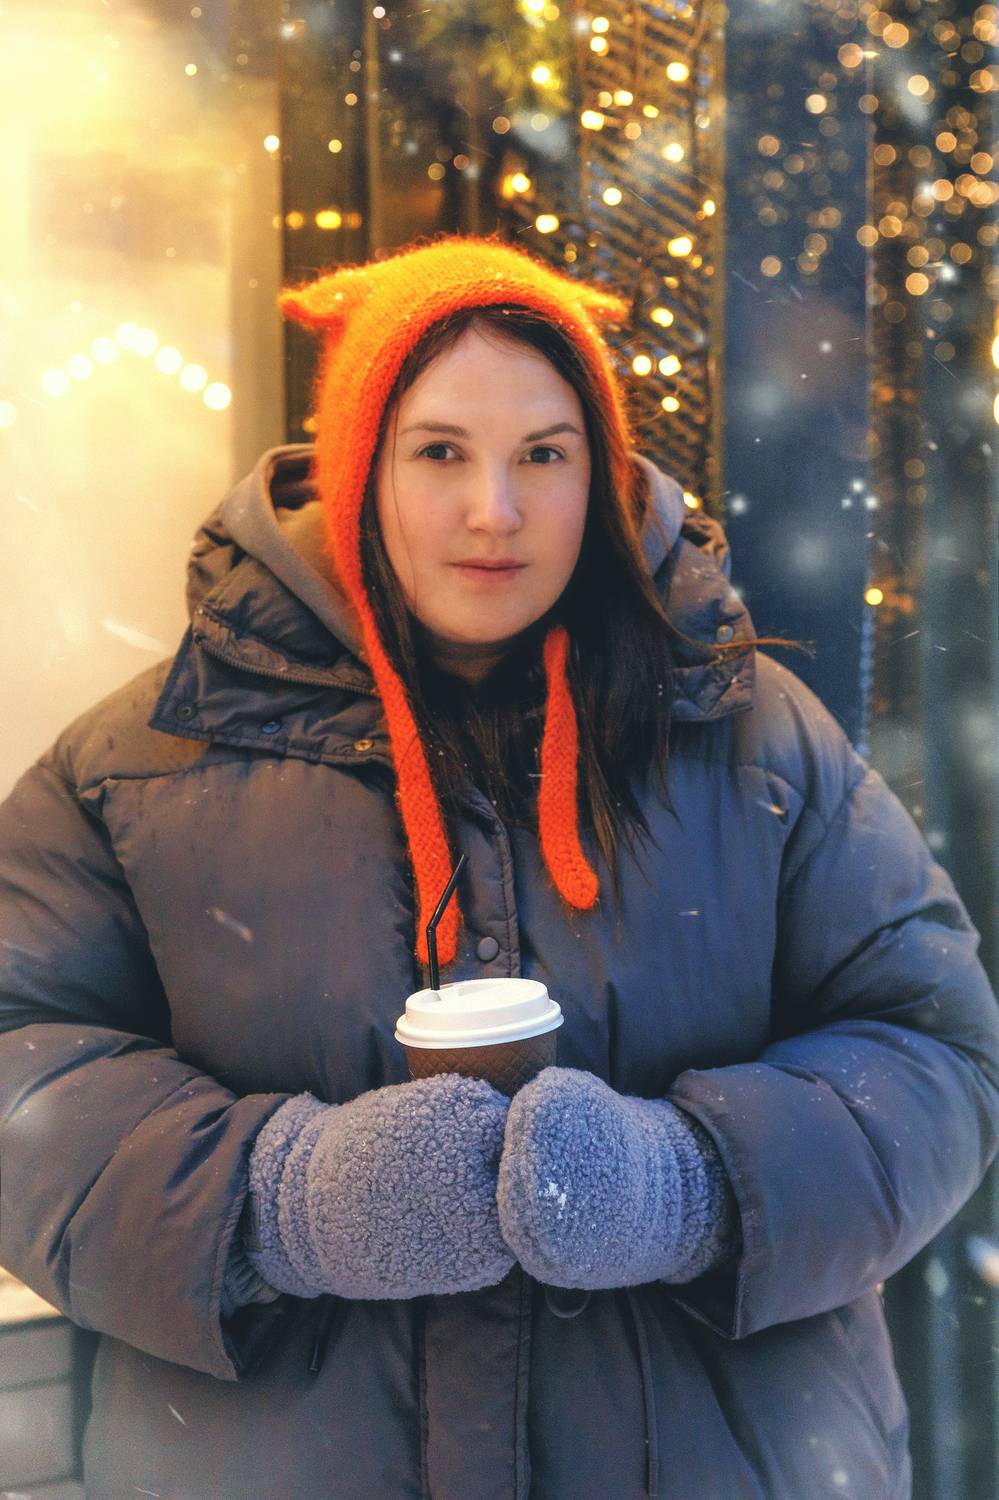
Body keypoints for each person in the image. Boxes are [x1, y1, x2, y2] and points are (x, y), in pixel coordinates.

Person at [0, 233, 996, 1500]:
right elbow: (21, 1056)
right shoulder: (142, 762)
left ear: (600, 470)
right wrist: (279, 1203)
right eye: (439, 453)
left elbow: (933, 1049)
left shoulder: (750, 730)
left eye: (544, 454)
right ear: (359, 468)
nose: (495, 511)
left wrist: (694, 1184)